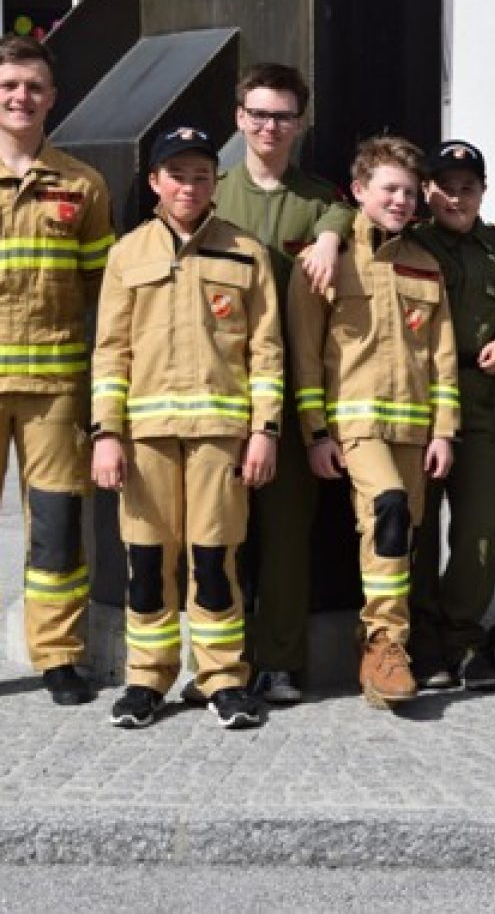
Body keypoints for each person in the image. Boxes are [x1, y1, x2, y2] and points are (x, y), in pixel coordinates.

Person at [92, 126, 283, 729]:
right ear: (154, 182)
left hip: (219, 436)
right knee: (146, 563)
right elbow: (110, 351)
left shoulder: (245, 253)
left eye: (201, 174)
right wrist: (105, 433)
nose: (189, 185)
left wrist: (265, 431)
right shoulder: (127, 254)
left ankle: (223, 678)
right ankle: (146, 680)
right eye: (177, 174)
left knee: (214, 560)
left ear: (215, 183)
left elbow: (267, 351)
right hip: (143, 439)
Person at [288, 135, 459, 708]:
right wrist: (315, 431)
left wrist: (443, 431)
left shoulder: (427, 264)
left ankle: (382, 645)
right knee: (388, 509)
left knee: (399, 537)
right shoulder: (328, 257)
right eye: (390, 189)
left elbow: (442, 355)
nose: (402, 200)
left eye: (411, 192)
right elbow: (306, 352)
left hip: (414, 430)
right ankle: (386, 643)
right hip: (354, 425)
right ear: (360, 191)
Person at [213, 62, 354, 705]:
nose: (271, 126)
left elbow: (351, 211)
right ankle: (222, 660)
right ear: (240, 116)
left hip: (295, 395)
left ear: (301, 124)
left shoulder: (321, 200)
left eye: (284, 116)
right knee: (222, 533)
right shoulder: (210, 194)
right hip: (221, 391)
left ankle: (282, 662)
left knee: (288, 538)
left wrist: (330, 234)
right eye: (260, 113)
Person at [0, 33, 113, 706]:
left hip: (56, 391)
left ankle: (58, 656)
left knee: (56, 526)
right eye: (10, 85)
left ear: (52, 98)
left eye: (33, 87)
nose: (21, 97)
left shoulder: (82, 184)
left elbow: (108, 297)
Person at [407, 140, 495, 690]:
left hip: (477, 399)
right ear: (427, 190)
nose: (456, 197)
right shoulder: (408, 246)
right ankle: (424, 641)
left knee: (481, 525)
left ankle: (463, 634)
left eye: (468, 187)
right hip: (419, 399)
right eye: (445, 186)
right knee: (418, 527)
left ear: (483, 191)